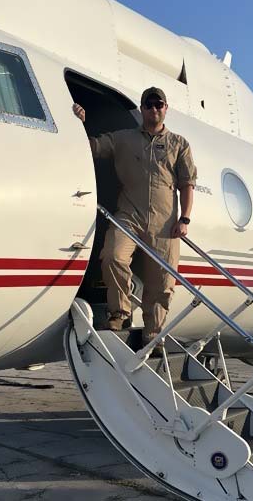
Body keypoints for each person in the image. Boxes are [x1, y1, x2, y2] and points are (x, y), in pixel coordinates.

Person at [72, 87, 197, 348]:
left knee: (163, 280)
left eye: (158, 104)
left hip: (165, 222)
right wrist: (78, 123)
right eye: (149, 105)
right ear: (141, 109)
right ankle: (120, 313)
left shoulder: (178, 144)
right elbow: (92, 147)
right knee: (113, 256)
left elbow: (187, 184)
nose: (154, 109)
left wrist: (184, 219)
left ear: (166, 108)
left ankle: (154, 331)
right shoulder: (123, 139)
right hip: (129, 213)